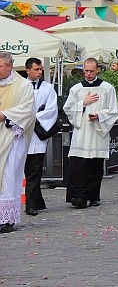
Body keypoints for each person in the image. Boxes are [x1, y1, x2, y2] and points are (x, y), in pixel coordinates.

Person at [64, 58, 118, 208]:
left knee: (95, 165)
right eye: (86, 71)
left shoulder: (107, 88)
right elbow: (67, 109)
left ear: (97, 70)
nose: (88, 74)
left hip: (96, 132)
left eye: (91, 71)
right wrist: (83, 103)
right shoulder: (76, 89)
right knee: (78, 165)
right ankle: (78, 196)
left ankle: (94, 196)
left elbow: (114, 111)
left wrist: (99, 116)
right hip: (81, 133)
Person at [0, 52, 35, 233]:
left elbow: (28, 109)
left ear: (9, 66)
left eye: (0, 67)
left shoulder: (23, 85)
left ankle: (7, 219)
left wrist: (6, 115)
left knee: (8, 175)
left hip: (12, 136)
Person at [23, 58, 57, 217]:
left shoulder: (48, 88)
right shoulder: (20, 87)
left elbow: (51, 110)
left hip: (37, 135)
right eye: (36, 69)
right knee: (26, 169)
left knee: (35, 171)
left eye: (41, 69)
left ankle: (30, 205)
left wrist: (34, 117)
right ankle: (38, 200)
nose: (40, 72)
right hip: (21, 134)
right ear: (28, 70)